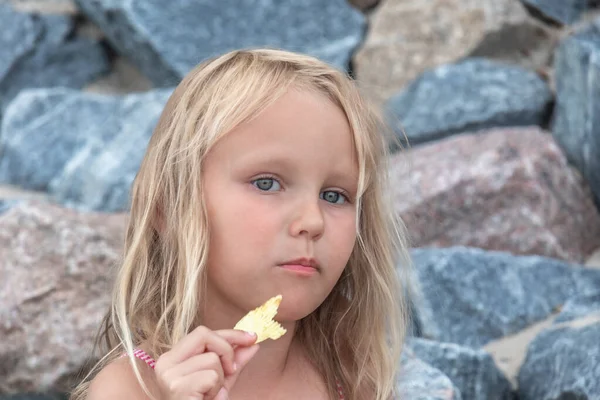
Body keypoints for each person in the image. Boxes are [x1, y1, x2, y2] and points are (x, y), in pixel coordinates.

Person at [70, 48, 411, 400]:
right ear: (168, 210)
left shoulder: (350, 376)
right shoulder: (132, 389)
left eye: (335, 196)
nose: (312, 221)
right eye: (267, 183)